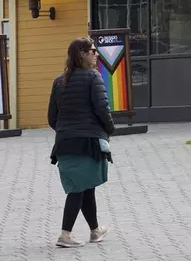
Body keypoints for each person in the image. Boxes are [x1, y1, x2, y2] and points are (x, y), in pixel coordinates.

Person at [48, 37, 115, 248]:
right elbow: (102, 109)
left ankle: (95, 231)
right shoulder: (93, 78)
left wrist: (65, 130)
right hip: (87, 142)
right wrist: (109, 129)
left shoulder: (59, 81)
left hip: (65, 142)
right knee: (78, 188)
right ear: (82, 54)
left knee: (86, 186)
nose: (96, 54)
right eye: (92, 51)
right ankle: (65, 235)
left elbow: (52, 117)